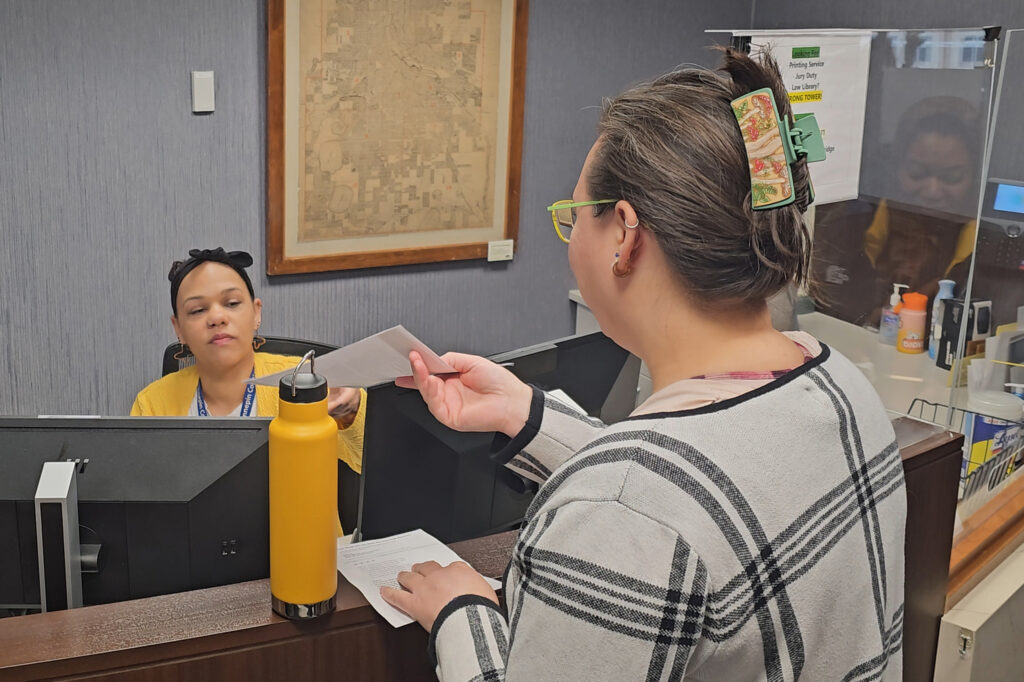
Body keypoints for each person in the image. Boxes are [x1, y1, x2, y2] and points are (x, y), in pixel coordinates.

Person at [380, 49, 906, 681]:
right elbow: (699, 490)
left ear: (624, 235)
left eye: (574, 217)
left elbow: (644, 508)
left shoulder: (620, 511)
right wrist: (524, 414)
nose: (571, 238)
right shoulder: (840, 383)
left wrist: (464, 612)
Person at [131, 248, 365, 533]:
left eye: (231, 303)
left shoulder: (305, 379)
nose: (216, 318)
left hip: (302, 552)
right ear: (178, 328)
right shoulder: (152, 403)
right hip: (195, 559)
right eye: (197, 310)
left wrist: (349, 410)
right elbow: (144, 503)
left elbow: (375, 449)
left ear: (256, 312)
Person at [813, 97, 980, 327]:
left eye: (952, 177)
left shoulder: (988, 244)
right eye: (916, 172)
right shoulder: (852, 224)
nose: (932, 191)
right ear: (896, 167)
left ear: (976, 178)